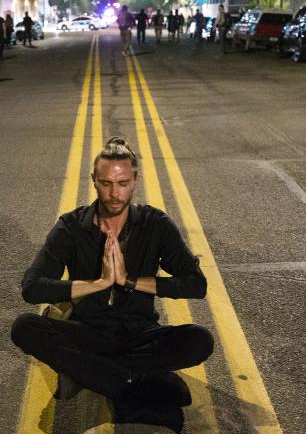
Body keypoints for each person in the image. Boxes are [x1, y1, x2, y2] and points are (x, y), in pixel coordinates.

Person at [11, 137, 214, 410]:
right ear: (94, 180)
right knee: (24, 327)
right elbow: (32, 288)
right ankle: (131, 384)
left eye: (123, 184)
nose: (114, 193)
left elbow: (195, 284)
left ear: (135, 181)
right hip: (87, 331)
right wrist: (99, 283)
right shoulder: (71, 227)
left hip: (140, 332)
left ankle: (89, 373)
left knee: (200, 340)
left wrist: (128, 281)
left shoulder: (155, 224)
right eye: (106, 184)